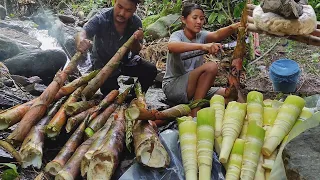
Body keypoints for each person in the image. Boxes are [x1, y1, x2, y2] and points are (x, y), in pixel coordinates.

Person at [162, 3, 244, 117]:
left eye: (201, 19)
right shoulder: (178, 35)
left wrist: (234, 27)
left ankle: (247, 115)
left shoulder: (201, 36)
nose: (199, 22)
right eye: (194, 18)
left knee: (231, 93)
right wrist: (202, 46)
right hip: (174, 87)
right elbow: (172, 46)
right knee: (211, 67)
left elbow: (217, 34)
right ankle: (195, 111)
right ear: (183, 20)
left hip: (194, 86)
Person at [76, 0, 157, 96]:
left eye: (128, 10)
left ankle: (132, 98)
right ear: (115, 2)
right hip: (103, 65)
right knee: (110, 94)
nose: (122, 13)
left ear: (134, 10)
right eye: (120, 7)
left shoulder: (136, 22)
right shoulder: (101, 17)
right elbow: (82, 32)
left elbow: (136, 50)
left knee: (150, 70)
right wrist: (81, 41)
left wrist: (135, 39)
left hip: (125, 61)